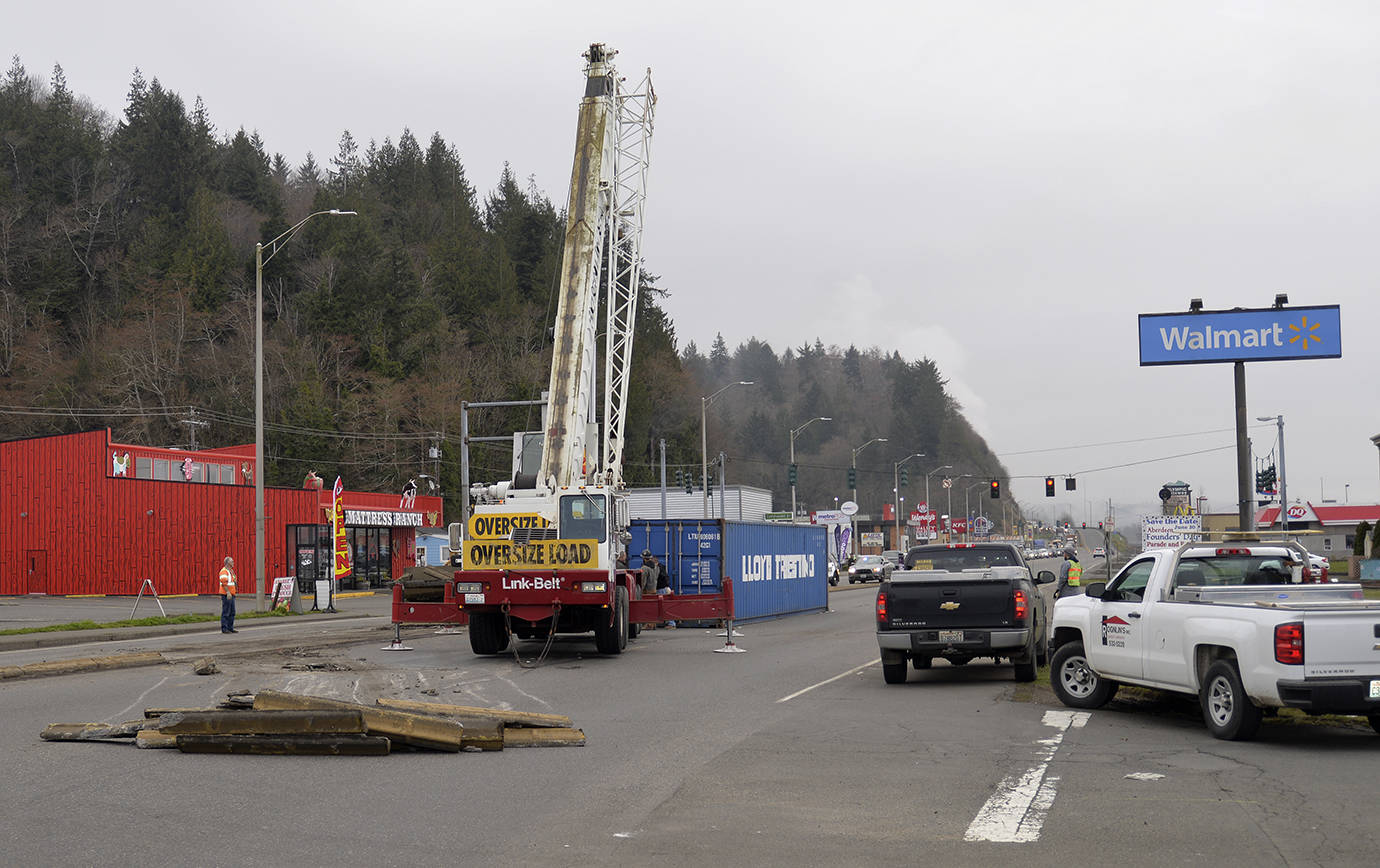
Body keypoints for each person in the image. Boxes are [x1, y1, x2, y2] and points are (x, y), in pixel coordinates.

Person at [219, 556, 238, 633]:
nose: (233, 563)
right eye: (232, 561)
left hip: (231, 594)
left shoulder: (231, 571)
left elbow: (233, 582)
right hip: (227, 594)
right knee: (226, 611)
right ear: (228, 563)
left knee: (232, 612)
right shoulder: (224, 571)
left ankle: (230, 627)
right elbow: (224, 583)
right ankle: (225, 628)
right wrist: (228, 592)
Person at [655, 555, 675, 628]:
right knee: (666, 606)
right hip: (664, 588)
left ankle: (671, 623)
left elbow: (659, 578)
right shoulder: (662, 567)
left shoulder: (658, 568)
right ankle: (670, 623)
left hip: (661, 589)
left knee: (664, 606)